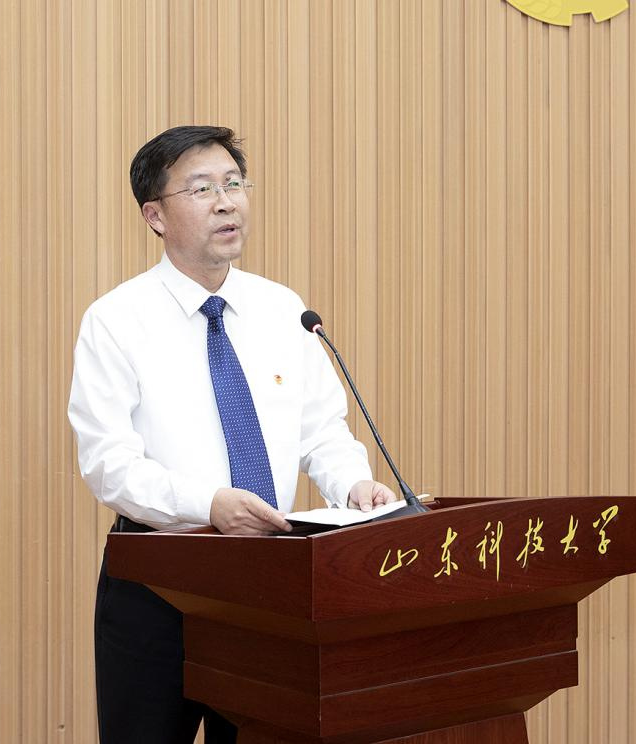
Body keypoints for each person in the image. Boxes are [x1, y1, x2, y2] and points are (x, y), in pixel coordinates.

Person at [68, 125, 398, 744]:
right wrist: (209, 505)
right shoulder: (116, 320)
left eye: (234, 184)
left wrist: (353, 485)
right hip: (160, 582)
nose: (226, 202)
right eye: (201, 189)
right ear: (155, 216)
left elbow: (322, 431)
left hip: (270, 583)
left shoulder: (283, 310)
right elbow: (109, 464)